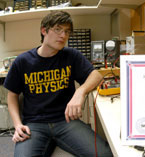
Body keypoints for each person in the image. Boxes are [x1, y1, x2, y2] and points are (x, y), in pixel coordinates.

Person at [4, 11, 113, 157]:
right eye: (58, 29)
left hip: (66, 121)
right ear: (44, 30)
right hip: (34, 125)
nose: (63, 35)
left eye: (67, 31)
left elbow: (96, 76)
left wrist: (80, 92)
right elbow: (12, 96)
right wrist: (17, 125)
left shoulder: (71, 55)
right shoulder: (23, 61)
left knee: (104, 154)